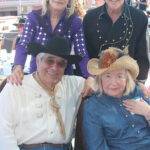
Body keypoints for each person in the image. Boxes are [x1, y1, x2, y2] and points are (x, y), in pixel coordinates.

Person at [0, 35, 93, 150]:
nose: (54, 67)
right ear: (38, 60)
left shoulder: (74, 85)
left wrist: (92, 79)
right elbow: (3, 128)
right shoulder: (16, 86)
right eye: (50, 61)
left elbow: (106, 85)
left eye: (61, 63)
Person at [8, 0, 92, 84]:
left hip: (63, 80)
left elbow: (82, 53)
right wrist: (18, 67)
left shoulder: (75, 22)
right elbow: (23, 44)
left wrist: (90, 77)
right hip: (38, 78)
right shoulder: (34, 17)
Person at [83, 47, 150, 150]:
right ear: (100, 78)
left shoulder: (137, 92)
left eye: (119, 76)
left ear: (126, 77)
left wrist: (147, 111)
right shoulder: (93, 107)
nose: (113, 83)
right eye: (107, 76)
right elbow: (96, 146)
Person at [83, 0, 149, 83]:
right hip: (95, 83)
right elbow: (84, 54)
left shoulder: (139, 18)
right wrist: (89, 79)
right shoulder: (89, 18)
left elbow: (142, 54)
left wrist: (139, 83)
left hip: (128, 83)